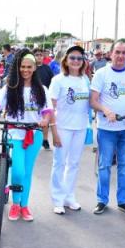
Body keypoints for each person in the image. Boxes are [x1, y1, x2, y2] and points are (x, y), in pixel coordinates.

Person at [0, 49, 52, 221]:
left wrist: (45, 120)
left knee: (27, 172)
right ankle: (14, 204)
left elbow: (48, 111)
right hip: (14, 134)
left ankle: (23, 206)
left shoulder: (41, 89)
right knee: (18, 172)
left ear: (34, 68)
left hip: (33, 135)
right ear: (18, 67)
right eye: (22, 67)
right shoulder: (10, 87)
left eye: (29, 67)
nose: (26, 70)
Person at [90, 41, 125, 215]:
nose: (120, 56)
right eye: (117, 52)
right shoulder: (101, 74)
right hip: (107, 129)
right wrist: (106, 110)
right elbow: (93, 100)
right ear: (110, 54)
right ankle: (101, 200)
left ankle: (123, 201)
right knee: (104, 165)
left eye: (123, 53)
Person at [49, 45, 90, 214]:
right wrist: (54, 131)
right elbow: (50, 106)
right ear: (66, 60)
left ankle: (69, 196)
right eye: (72, 58)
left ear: (83, 62)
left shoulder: (85, 80)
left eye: (79, 58)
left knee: (73, 164)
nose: (76, 61)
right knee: (59, 163)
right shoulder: (58, 80)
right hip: (63, 127)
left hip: (80, 127)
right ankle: (57, 199)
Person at [34, 48, 55, 150]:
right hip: (32, 98)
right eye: (37, 55)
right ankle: (33, 139)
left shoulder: (47, 68)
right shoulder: (31, 68)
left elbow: (53, 82)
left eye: (41, 55)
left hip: (45, 97)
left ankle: (45, 139)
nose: (39, 57)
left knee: (45, 119)